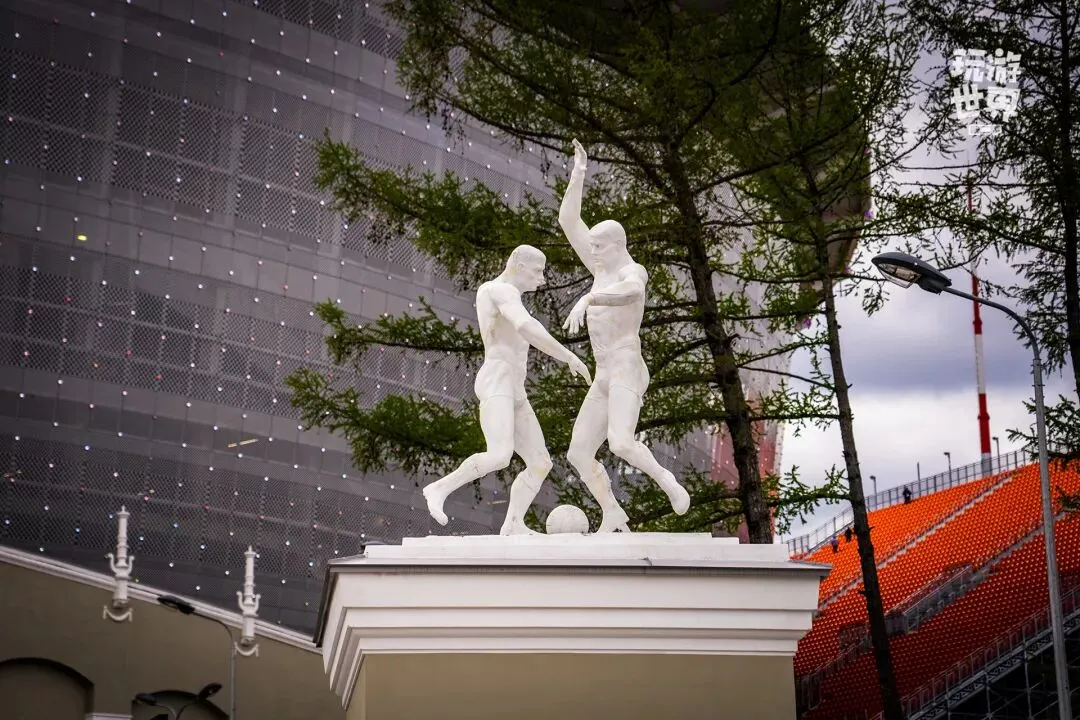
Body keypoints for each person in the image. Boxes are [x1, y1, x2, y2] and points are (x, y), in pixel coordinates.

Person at [558, 139, 691, 533]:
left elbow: (632, 293)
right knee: (578, 452)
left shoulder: (632, 272)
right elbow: (569, 222)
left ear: (617, 246)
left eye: (599, 247)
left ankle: (667, 481)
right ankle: (612, 510)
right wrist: (579, 173)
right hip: (604, 374)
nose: (593, 253)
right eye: (593, 248)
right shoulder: (602, 266)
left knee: (620, 442)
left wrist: (589, 298)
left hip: (627, 367)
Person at [422, 245, 592, 535]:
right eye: (537, 270)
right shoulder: (497, 290)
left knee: (540, 463)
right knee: (500, 454)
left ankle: (513, 524)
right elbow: (526, 326)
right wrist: (568, 357)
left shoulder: (510, 295)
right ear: (519, 265)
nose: (542, 278)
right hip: (497, 381)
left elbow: (526, 325)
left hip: (514, 390)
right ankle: (438, 488)